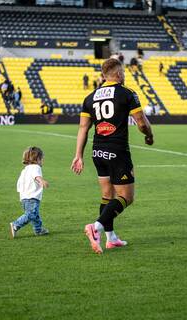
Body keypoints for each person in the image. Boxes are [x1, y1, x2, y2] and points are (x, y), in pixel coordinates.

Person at [71, 58, 154, 254]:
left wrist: (78, 156)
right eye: (123, 72)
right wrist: (149, 135)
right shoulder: (127, 93)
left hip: (97, 151)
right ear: (118, 74)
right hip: (117, 151)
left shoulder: (90, 97)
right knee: (126, 196)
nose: (124, 75)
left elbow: (83, 128)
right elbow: (141, 123)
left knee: (107, 196)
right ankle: (96, 227)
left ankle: (111, 238)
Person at [10, 147, 49, 238]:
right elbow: (36, 176)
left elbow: (19, 182)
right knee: (31, 214)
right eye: (42, 158)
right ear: (38, 159)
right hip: (32, 196)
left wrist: (22, 193)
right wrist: (42, 181)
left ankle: (38, 230)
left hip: (24, 196)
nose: (42, 161)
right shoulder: (36, 167)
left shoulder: (25, 169)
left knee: (35, 215)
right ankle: (16, 225)